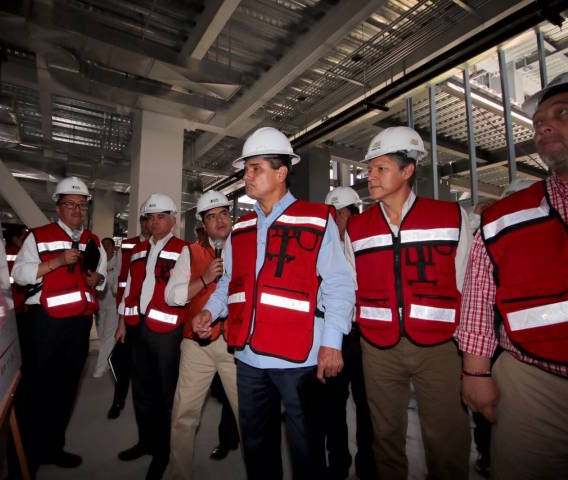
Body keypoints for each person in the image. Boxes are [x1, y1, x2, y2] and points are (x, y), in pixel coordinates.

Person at [194, 127, 355, 479]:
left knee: (306, 449)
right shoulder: (241, 229)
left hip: (300, 359)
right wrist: (210, 310)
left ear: (281, 173)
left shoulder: (317, 219)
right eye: (246, 169)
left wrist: (332, 343)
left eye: (256, 168)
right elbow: (230, 284)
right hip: (250, 359)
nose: (247, 176)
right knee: (257, 447)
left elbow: (339, 284)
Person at [344, 126, 472, 480]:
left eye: (381, 168)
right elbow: (350, 287)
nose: (370, 176)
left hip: (441, 346)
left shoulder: (451, 217)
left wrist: (470, 347)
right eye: (369, 169)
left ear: (407, 170)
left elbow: (467, 283)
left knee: (446, 437)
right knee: (384, 436)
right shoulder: (357, 228)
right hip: (378, 346)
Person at [457, 73, 568, 480]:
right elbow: (478, 298)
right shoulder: (504, 218)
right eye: (538, 122)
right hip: (534, 380)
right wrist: (476, 371)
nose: (544, 127)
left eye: (562, 113)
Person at [11, 176, 106, 475]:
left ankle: (52, 448)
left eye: (82, 205)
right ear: (58, 207)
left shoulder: (93, 241)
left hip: (78, 326)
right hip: (44, 324)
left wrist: (98, 279)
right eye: (70, 204)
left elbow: (100, 279)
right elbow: (20, 275)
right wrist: (56, 262)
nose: (77, 210)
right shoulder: (38, 237)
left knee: (65, 390)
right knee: (34, 393)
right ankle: (23, 462)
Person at [163, 190, 240, 479]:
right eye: (211, 217)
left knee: (249, 415)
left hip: (236, 346)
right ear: (203, 225)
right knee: (184, 414)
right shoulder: (190, 253)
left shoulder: (247, 247)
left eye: (224, 214)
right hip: (197, 346)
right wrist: (204, 279)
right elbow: (172, 296)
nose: (220, 220)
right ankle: (179, 473)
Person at [115, 193, 188, 480]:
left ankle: (163, 451)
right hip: (137, 327)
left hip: (167, 332)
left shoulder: (184, 250)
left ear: (173, 220)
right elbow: (130, 286)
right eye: (150, 218)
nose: (155, 222)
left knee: (166, 394)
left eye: (161, 217)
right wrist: (122, 321)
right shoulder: (138, 250)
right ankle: (146, 441)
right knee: (142, 391)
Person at [319, 187, 376, 480]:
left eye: (340, 214)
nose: (336, 220)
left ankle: (368, 465)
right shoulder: (323, 247)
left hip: (364, 335)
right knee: (333, 404)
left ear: (351, 214)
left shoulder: (366, 245)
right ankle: (338, 464)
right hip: (335, 336)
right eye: (332, 215)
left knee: (367, 405)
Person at [108, 212, 150, 419]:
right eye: (145, 219)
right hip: (129, 313)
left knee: (148, 364)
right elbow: (118, 279)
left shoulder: (165, 247)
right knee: (121, 359)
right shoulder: (127, 246)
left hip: (152, 317)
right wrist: (122, 319)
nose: (149, 223)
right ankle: (119, 399)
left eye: (154, 218)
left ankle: (147, 404)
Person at [93, 237, 120, 378]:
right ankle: (110, 361)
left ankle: (100, 368)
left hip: (113, 305)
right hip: (100, 305)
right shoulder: (98, 263)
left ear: (113, 247)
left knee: (108, 337)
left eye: (108, 245)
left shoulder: (117, 261)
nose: (105, 248)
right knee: (102, 335)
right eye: (102, 245)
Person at [4, 224, 29, 313]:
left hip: (9, 297)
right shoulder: (21, 253)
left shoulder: (2, 251)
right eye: (23, 237)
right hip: (19, 298)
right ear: (15, 238)